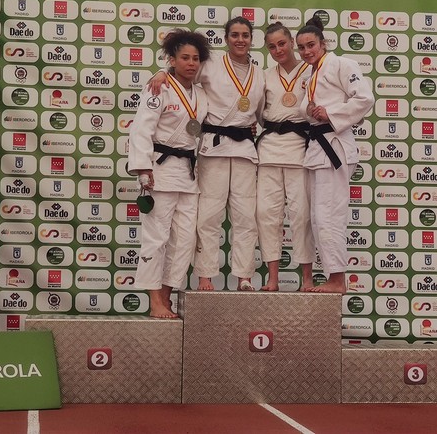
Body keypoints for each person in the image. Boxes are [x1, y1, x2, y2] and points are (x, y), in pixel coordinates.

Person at [148, 17, 265, 291]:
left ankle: (245, 276)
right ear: (226, 38)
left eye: (245, 35)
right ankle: (205, 275)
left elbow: (261, 114)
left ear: (251, 39)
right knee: (209, 216)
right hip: (213, 148)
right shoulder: (209, 64)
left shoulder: (259, 74)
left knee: (246, 216)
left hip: (245, 151)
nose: (240, 40)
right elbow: (182, 76)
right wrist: (161, 72)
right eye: (234, 35)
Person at [127, 29, 211, 318]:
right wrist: (142, 170)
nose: (191, 63)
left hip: (188, 174)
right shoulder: (158, 88)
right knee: (156, 237)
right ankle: (154, 301)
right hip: (159, 170)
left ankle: (166, 294)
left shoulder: (200, 93)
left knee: (184, 240)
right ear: (172, 60)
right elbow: (141, 129)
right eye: (184, 57)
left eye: (196, 58)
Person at [296, 16, 373, 293]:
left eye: (311, 45)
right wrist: (312, 111)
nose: (307, 51)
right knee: (318, 216)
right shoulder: (310, 75)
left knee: (329, 215)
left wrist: (331, 113)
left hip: (334, 145)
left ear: (323, 43)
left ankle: (338, 279)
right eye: (302, 48)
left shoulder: (342, 64)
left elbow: (365, 99)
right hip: (319, 147)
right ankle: (333, 275)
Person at [255, 22, 316, 291]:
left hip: (300, 148)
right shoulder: (264, 76)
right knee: (267, 214)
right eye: (272, 46)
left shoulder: (313, 71)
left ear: (291, 42)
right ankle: (273, 278)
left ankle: (307, 278)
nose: (278, 49)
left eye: (282, 43)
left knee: (302, 214)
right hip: (269, 149)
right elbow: (257, 113)